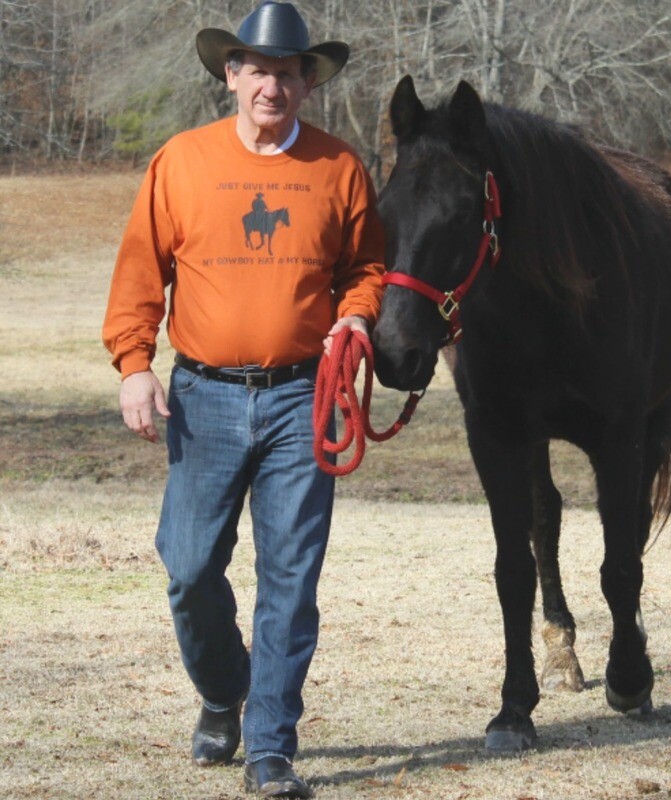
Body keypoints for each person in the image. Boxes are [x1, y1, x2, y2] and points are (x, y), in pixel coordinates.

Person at [102, 2, 385, 796]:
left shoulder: (339, 167)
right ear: (231, 75)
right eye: (257, 71)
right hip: (205, 396)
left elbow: (365, 268)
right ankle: (225, 690)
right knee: (190, 567)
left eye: (286, 73)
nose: (271, 87)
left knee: (291, 578)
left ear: (307, 83)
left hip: (305, 397)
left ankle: (270, 747)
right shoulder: (182, 161)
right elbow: (140, 269)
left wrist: (357, 316)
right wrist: (134, 363)